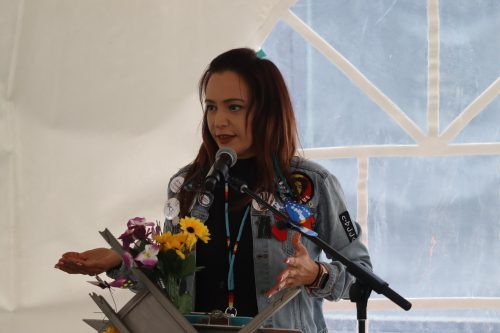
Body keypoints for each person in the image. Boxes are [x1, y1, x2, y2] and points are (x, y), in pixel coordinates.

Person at [55, 47, 372, 333]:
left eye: (234, 107)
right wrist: (117, 259)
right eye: (211, 107)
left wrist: (316, 274)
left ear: (268, 111)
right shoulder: (187, 184)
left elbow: (362, 277)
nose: (218, 121)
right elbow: (170, 268)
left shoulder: (313, 184)